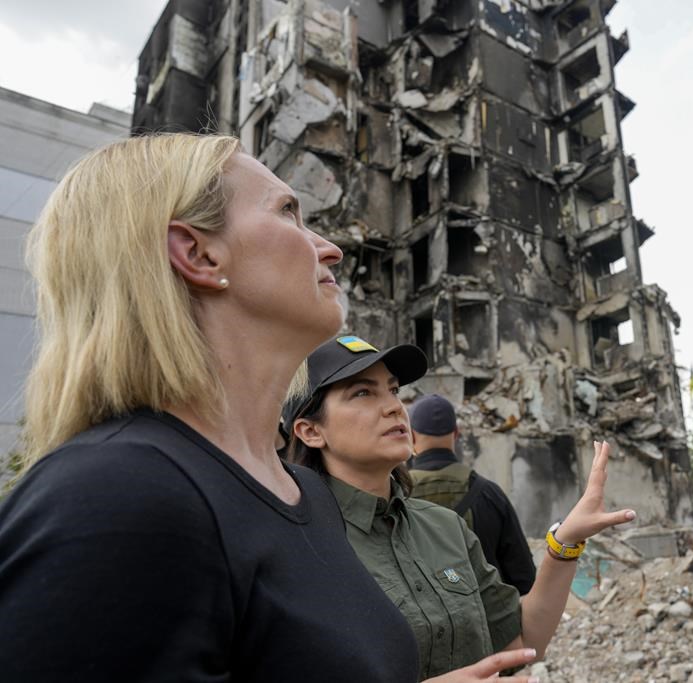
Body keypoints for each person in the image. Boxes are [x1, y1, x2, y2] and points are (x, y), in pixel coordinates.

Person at [0, 133, 537, 682]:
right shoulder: (115, 499)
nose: (331, 247)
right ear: (198, 254)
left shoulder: (303, 496)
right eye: (288, 213)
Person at [284, 335, 637, 681]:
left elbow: (521, 641)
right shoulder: (296, 547)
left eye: (393, 390)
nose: (394, 407)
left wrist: (565, 543)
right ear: (311, 431)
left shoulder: (444, 527)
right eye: (362, 393)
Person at [408, 393, 536, 594]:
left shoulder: (396, 496)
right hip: (484, 622)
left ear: (411, 436)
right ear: (457, 433)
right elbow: (524, 578)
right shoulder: (489, 494)